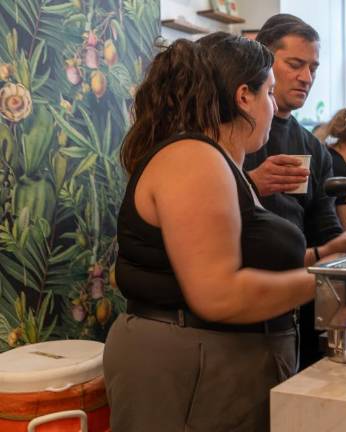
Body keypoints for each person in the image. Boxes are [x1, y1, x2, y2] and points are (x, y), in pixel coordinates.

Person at [104, 34, 313, 432]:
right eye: (269, 92)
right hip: (192, 364)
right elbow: (218, 294)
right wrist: (326, 283)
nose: (273, 105)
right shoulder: (194, 158)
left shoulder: (220, 164)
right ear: (243, 97)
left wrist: (324, 259)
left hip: (216, 361)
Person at [232, 14, 346, 369]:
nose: (307, 77)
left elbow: (325, 226)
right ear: (264, 63)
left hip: (295, 310)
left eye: (313, 67)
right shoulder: (231, 135)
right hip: (235, 314)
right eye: (295, 65)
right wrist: (251, 182)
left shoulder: (313, 149)